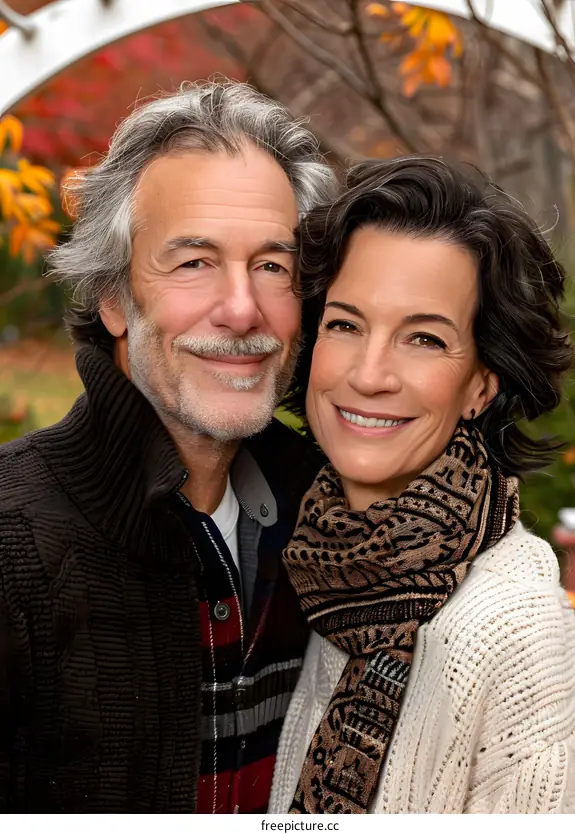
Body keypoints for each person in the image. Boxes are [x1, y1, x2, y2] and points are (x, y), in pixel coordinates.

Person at [0, 81, 337, 813]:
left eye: (274, 266)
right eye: (193, 262)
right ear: (115, 298)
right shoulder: (13, 547)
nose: (243, 307)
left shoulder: (331, 517)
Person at [268, 157, 575, 814]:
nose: (369, 373)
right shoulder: (323, 566)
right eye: (345, 324)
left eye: (423, 338)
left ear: (482, 383)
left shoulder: (511, 632)